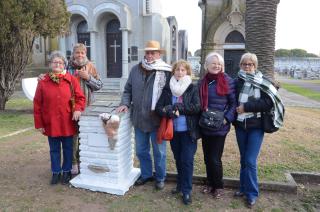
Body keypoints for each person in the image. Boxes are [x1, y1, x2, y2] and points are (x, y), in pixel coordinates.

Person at [116, 40, 171, 190]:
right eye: (147, 52)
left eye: (153, 52)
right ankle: (146, 175)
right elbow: (128, 90)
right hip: (139, 118)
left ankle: (160, 177)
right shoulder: (135, 69)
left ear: (159, 54)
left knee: (159, 152)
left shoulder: (166, 71)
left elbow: (170, 94)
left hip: (157, 120)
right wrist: (124, 103)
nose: (150, 55)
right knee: (141, 150)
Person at [233, 52, 284, 208]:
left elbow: (267, 103)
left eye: (251, 64)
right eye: (245, 64)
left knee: (250, 160)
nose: (247, 67)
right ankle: (243, 188)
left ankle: (252, 193)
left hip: (256, 127)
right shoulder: (237, 81)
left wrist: (246, 107)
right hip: (241, 126)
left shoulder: (263, 82)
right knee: (243, 159)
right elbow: (231, 99)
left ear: (255, 66)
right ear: (240, 65)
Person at [33, 51, 86, 185]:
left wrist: (78, 109)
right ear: (50, 64)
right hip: (50, 122)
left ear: (64, 65)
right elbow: (37, 103)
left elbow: (80, 98)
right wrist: (39, 123)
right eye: (55, 62)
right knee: (54, 149)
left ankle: (67, 171)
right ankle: (56, 172)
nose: (57, 64)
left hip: (68, 122)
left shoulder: (71, 80)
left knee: (68, 149)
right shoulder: (43, 81)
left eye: (60, 62)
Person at [155, 60, 200, 205]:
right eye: (177, 70)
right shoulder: (168, 89)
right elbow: (159, 108)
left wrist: (179, 108)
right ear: (173, 72)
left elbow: (196, 107)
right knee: (179, 159)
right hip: (173, 132)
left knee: (187, 161)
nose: (180, 72)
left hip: (188, 131)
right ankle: (180, 185)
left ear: (187, 72)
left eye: (183, 70)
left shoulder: (192, 88)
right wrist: (168, 112)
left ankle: (186, 191)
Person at [199, 52, 237, 198]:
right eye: (213, 63)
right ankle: (209, 183)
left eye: (219, 64)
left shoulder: (228, 81)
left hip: (220, 127)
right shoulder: (203, 82)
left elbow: (234, 103)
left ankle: (218, 186)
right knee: (207, 157)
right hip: (205, 125)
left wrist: (226, 119)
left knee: (215, 158)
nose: (216, 66)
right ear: (207, 65)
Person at [67, 43, 103, 175]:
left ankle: (84, 162)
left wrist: (88, 78)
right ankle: (73, 163)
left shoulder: (91, 66)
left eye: (82, 53)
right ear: (74, 54)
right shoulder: (68, 67)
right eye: (77, 53)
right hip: (71, 107)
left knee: (85, 136)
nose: (80, 55)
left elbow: (99, 85)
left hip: (88, 108)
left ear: (85, 53)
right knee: (73, 137)